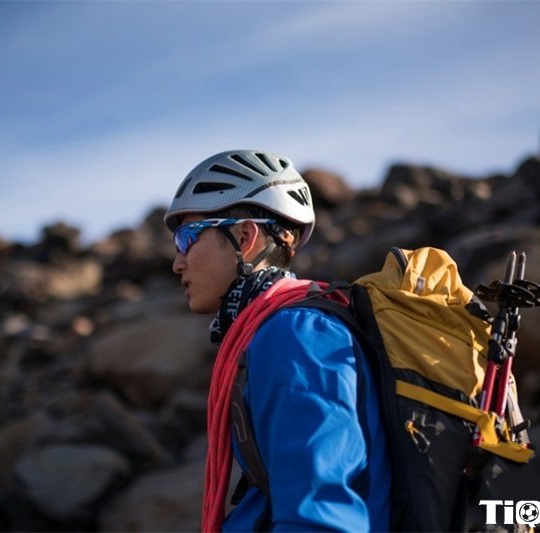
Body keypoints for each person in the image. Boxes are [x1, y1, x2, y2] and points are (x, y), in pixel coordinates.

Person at [164, 150, 391, 532]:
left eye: (187, 238)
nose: (178, 263)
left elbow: (320, 515)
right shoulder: (289, 326)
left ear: (244, 236)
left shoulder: (295, 333)